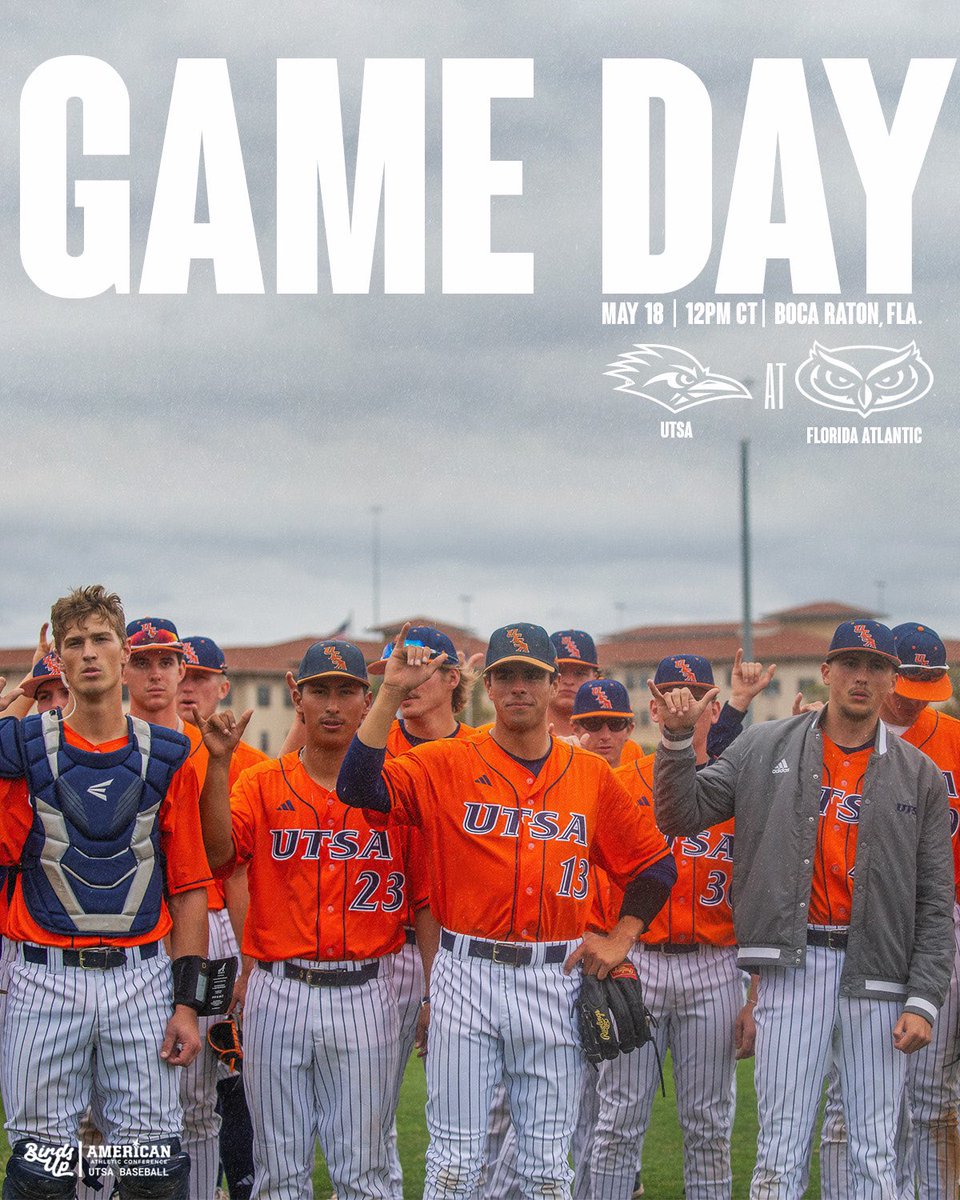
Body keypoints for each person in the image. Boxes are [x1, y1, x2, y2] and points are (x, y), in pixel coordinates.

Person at [337, 621, 678, 1199]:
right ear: (488, 686)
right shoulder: (445, 761)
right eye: (507, 675)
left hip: (555, 976)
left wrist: (621, 936)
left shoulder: (591, 776)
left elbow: (654, 866)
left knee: (548, 1168)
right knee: (456, 1163)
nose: (519, 686)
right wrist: (391, 691)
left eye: (532, 676)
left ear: (551, 688)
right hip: (465, 973)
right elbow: (358, 786)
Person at [651, 618, 955, 1197]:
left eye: (875, 667)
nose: (861, 678)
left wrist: (925, 997)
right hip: (795, 965)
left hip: (882, 973)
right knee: (779, 1149)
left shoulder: (919, 775)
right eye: (849, 664)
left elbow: (935, 902)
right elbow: (680, 815)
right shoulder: (766, 744)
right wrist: (673, 742)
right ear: (826, 672)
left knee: (872, 1151)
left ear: (893, 680)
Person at [0, 585, 232, 1200]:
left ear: (123, 653)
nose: (89, 653)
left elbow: (188, 889)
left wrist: (188, 1002)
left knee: (151, 1165)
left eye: (102, 639)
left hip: (141, 974)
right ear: (60, 660)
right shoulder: (22, 750)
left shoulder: (169, 753)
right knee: (41, 1167)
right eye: (74, 643)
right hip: (42, 970)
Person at [197, 639, 430, 1200]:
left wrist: (429, 993)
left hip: (367, 992)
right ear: (295, 696)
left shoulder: (398, 790)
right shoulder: (261, 783)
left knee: (365, 1170)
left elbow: (423, 901)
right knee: (278, 1169)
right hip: (280, 989)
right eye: (319, 689)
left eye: (345, 690)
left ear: (366, 699)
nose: (332, 704)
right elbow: (218, 855)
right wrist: (220, 763)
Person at [590, 655, 747, 1200]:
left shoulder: (739, 785)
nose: (685, 704)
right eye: (672, 694)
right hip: (639, 961)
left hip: (716, 963)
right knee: (617, 1120)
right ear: (654, 709)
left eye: (697, 694)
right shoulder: (617, 782)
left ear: (715, 707)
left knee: (708, 1124)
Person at [819, 621, 960, 1200]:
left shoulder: (951, 737)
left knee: (932, 1092)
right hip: (852, 921)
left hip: (937, 916)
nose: (917, 693)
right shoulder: (836, 734)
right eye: (911, 679)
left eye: (931, 681)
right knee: (849, 1096)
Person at [368, 626, 473, 1200]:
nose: (402, 678)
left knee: (473, 1115)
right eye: (391, 668)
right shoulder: (373, 747)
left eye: (417, 666)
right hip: (378, 945)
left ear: (451, 678)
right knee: (371, 1121)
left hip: (458, 949)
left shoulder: (481, 749)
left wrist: (440, 985)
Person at [177, 636, 266, 1200]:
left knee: (217, 1081)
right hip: (150, 929)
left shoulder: (251, 765)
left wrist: (248, 953)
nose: (188, 686)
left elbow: (238, 870)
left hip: (216, 927)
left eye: (200, 676)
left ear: (224, 686)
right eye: (179, 672)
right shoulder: (145, 746)